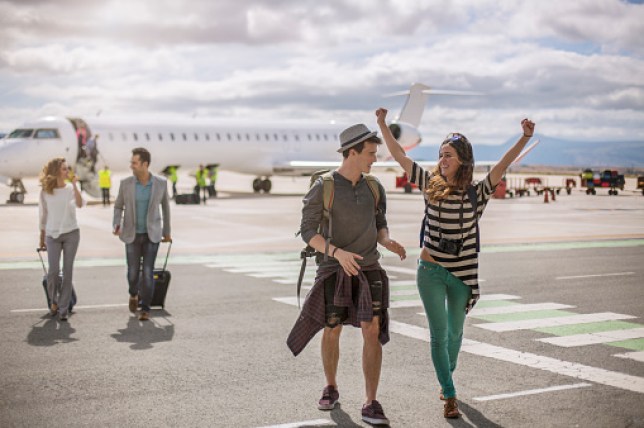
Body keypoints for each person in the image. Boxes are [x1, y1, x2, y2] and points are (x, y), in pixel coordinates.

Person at [376, 107, 535, 419]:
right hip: (430, 270)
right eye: (440, 155)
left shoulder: (478, 193)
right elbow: (398, 155)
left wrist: (524, 137)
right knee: (438, 334)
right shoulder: (428, 183)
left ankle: (445, 374)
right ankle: (449, 393)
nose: (442, 160)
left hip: (462, 274)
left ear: (462, 159)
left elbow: (503, 165)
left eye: (448, 155)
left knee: (454, 335)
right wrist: (382, 124)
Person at [287, 124, 406, 425]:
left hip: (369, 268)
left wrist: (387, 240)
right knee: (332, 327)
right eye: (369, 153)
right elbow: (307, 232)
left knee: (372, 329)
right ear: (351, 152)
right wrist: (337, 253)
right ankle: (331, 386)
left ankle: (371, 401)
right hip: (332, 268)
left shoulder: (373, 187)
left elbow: (380, 222)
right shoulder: (323, 186)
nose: (374, 159)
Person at [113, 148, 171, 321]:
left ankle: (145, 307)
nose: (131, 166)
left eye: (134, 163)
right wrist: (117, 223)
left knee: (147, 271)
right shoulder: (126, 183)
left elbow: (166, 209)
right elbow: (118, 206)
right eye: (131, 162)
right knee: (132, 273)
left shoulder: (160, 183)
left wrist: (167, 233)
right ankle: (133, 294)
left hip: (152, 234)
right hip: (132, 234)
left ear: (145, 164)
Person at [38, 157, 83, 321]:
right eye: (64, 169)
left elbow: (80, 204)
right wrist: (41, 237)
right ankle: (54, 301)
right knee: (53, 272)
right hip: (52, 235)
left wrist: (76, 186)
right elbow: (43, 216)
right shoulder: (45, 191)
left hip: (71, 233)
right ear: (56, 171)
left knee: (68, 271)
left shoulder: (71, 188)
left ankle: (63, 308)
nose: (67, 171)